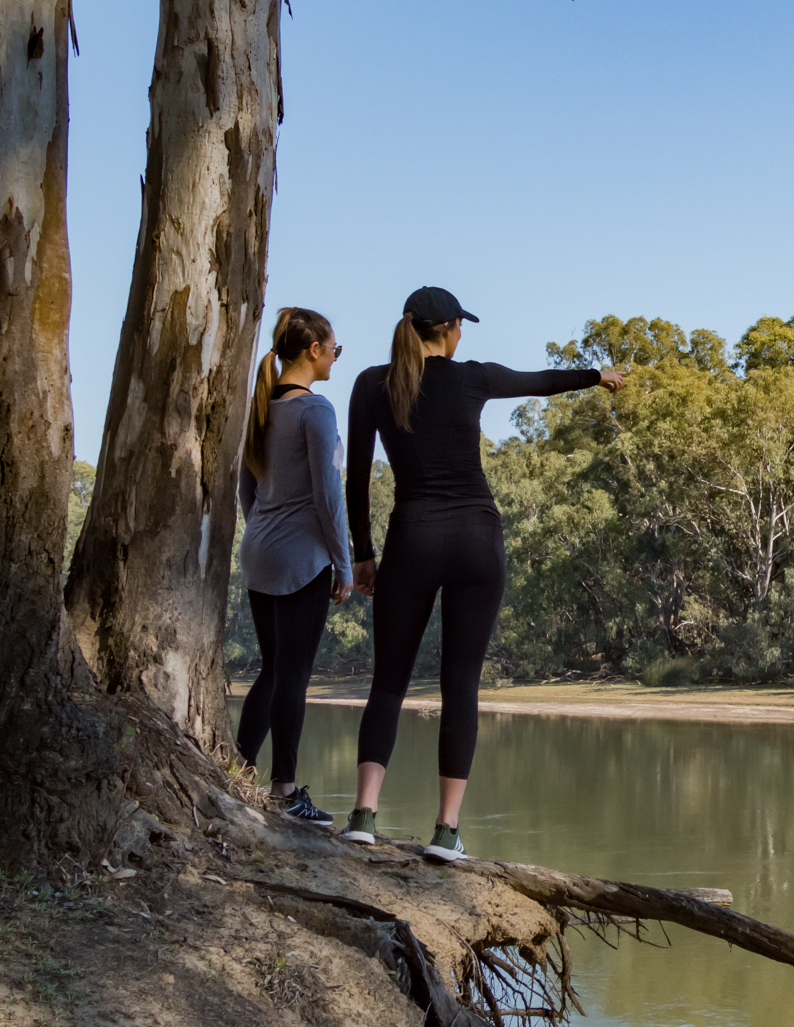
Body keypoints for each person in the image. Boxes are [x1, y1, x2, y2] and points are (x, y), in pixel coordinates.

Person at [340, 286, 625, 859]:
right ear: (446, 329)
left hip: (411, 539)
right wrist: (597, 376)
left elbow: (356, 478)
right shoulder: (471, 377)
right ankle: (446, 831)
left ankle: (364, 815)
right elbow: (540, 381)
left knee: (389, 682)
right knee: (460, 685)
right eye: (460, 326)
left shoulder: (372, 384)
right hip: (476, 539)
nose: (463, 334)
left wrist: (364, 555)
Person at [235, 306, 354, 826]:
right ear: (314, 350)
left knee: (270, 669)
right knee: (294, 676)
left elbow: (247, 489)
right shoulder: (316, 411)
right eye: (335, 349)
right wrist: (344, 563)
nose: (335, 357)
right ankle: (285, 789)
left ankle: (236, 770)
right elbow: (331, 495)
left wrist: (262, 529)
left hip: (259, 553)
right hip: (302, 560)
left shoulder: (260, 409)